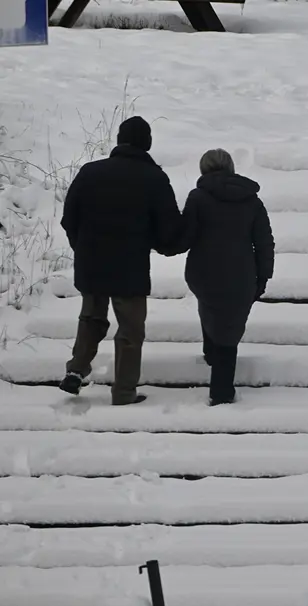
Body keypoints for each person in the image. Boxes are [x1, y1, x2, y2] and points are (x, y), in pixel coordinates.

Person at [58, 116, 182, 405]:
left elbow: (69, 219)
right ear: (147, 143)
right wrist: (170, 244)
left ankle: (76, 371)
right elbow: (168, 229)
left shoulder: (90, 172)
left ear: (119, 140)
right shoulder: (154, 178)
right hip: (130, 267)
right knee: (130, 330)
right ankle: (124, 392)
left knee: (91, 318)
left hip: (92, 262)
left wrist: (83, 247)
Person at [173, 148, 274, 406]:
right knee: (229, 328)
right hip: (241, 275)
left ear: (203, 169)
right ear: (230, 167)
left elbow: (185, 238)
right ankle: (221, 390)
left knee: (211, 310)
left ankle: (212, 361)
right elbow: (264, 243)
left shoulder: (198, 198)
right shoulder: (251, 201)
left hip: (203, 273)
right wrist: (263, 278)